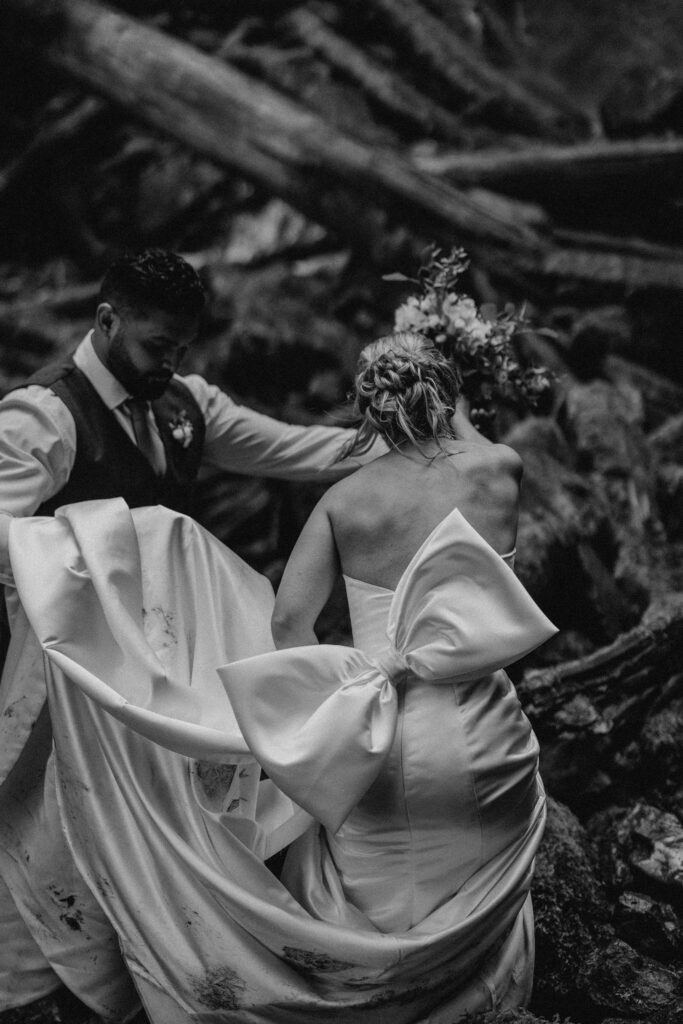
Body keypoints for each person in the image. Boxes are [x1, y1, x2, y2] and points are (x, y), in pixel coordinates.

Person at [5, 331, 557, 1021]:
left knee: (365, 905)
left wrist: (334, 705)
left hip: (386, 745)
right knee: (473, 870)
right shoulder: (501, 467)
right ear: (450, 393)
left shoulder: (344, 503)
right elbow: (465, 455)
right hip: (488, 734)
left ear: (366, 408)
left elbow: (289, 626)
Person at [0, 248, 382, 1021]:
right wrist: (98, 557)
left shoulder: (186, 406)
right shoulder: (43, 413)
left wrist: (415, 436)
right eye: (153, 347)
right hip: (64, 683)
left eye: (179, 349)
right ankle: (24, 993)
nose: (167, 364)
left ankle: (143, 978)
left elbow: (298, 450)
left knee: (156, 830)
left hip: (162, 689)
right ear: (106, 320)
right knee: (50, 828)